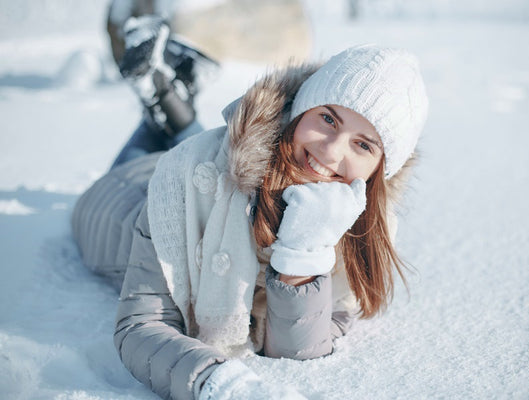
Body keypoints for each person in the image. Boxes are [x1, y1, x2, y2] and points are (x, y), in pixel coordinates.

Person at [71, 16, 428, 400]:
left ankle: (171, 101)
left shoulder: (365, 229)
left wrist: (304, 254)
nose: (331, 149)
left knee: (216, 151)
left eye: (363, 145)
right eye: (327, 118)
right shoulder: (184, 175)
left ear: (380, 170)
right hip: (120, 200)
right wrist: (216, 383)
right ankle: (163, 103)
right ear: (299, 110)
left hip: (202, 163)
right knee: (163, 158)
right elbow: (143, 325)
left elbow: (295, 350)